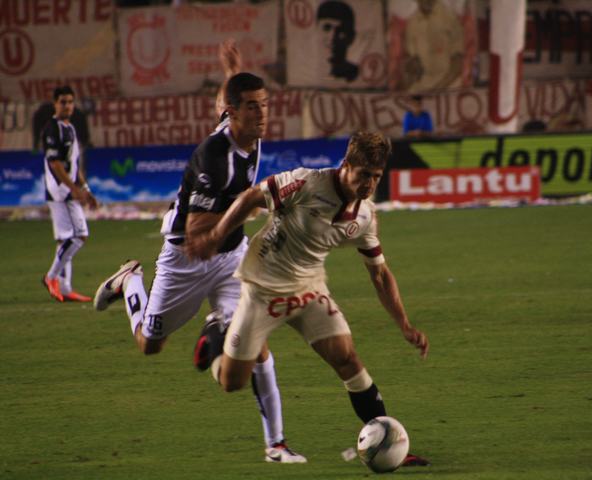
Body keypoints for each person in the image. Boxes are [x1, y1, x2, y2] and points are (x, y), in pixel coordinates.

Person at [93, 72, 306, 464]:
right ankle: (130, 282)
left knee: (255, 347)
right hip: (186, 259)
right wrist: (251, 206)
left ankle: (276, 444)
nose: (262, 114)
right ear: (235, 112)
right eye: (252, 106)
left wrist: (232, 68)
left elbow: (225, 99)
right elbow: (197, 232)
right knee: (150, 344)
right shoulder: (214, 158)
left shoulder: (247, 132)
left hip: (232, 257)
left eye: (264, 104)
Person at [187, 131, 430, 467]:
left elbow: (379, 274)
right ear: (346, 165)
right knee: (231, 382)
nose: (369, 184)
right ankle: (216, 330)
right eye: (364, 175)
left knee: (347, 358)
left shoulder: (365, 216)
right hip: (263, 287)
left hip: (308, 289)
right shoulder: (306, 183)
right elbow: (251, 197)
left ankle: (389, 441)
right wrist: (216, 234)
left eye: (376, 177)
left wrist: (404, 324)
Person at [42, 85, 98, 303]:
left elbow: (74, 165)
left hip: (69, 190)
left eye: (70, 102)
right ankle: (51, 277)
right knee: (79, 235)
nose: (67, 106)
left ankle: (65, 288)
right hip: (60, 191)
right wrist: (74, 189)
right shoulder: (52, 129)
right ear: (55, 104)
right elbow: (55, 164)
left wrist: (86, 189)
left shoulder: (71, 128)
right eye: (63, 102)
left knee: (65, 239)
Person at [404, 0, 463, 92]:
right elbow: (414, 63)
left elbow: (458, 63)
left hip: (450, 85)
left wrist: (437, 89)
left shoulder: (449, 18)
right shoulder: (412, 23)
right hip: (423, 86)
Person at [316, 0, 359, 82]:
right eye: (326, 28)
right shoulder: (303, 72)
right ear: (315, 32)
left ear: (352, 37)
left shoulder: (360, 74)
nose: (332, 37)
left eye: (341, 30)